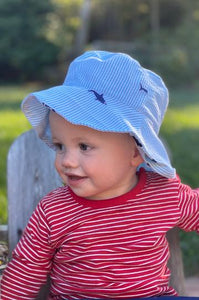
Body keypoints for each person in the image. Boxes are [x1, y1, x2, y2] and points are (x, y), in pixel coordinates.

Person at [1, 50, 199, 300]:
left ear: (137, 153)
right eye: (60, 146)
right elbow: (25, 269)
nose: (67, 161)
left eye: (84, 146)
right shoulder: (53, 211)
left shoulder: (165, 195)